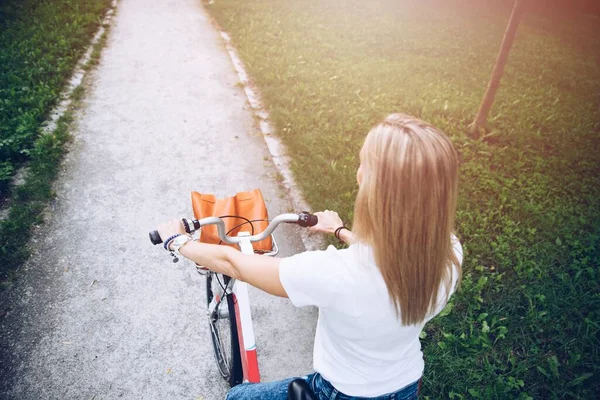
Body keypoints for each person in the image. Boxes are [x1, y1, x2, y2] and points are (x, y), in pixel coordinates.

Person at [156, 113, 463, 400]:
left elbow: (232, 262)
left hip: (341, 391)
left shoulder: (335, 274)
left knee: (236, 396)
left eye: (364, 164)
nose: (359, 171)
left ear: (374, 189)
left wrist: (177, 242)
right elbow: (395, 253)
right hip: (407, 383)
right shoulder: (447, 253)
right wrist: (341, 231)